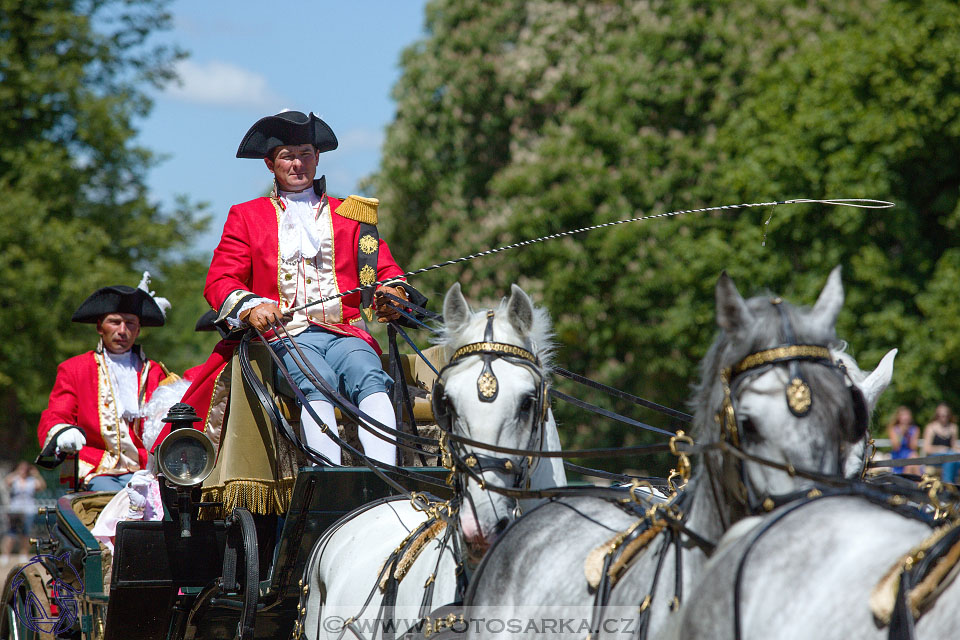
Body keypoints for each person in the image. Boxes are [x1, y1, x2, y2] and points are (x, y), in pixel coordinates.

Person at [171, 110, 426, 476]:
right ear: (270, 164)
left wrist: (395, 292)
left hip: (345, 331)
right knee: (315, 377)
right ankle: (330, 481)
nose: (298, 163)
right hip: (285, 335)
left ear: (317, 157)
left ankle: (385, 479)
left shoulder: (352, 216)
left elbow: (383, 269)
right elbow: (220, 280)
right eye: (288, 156)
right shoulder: (245, 216)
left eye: (305, 153)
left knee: (369, 373)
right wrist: (251, 306)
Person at [36, 280, 174, 491]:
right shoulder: (75, 369)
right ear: (100, 327)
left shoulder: (157, 373)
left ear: (138, 330)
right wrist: (62, 431)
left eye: (130, 323)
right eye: (114, 322)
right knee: (112, 499)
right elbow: (57, 413)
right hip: (96, 468)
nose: (122, 330)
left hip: (146, 471)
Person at [1, 462, 46, 556]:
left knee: (26, 532)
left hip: (28, 510)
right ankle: (5, 554)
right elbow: (6, 481)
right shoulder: (15, 479)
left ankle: (24, 553)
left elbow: (42, 486)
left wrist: (37, 474)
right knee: (11, 532)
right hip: (15, 510)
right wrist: (17, 472)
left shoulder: (32, 480)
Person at [922, 402, 959, 483]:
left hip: (949, 456)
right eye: (941, 415)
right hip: (934, 458)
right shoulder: (931, 427)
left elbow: (953, 447)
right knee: (950, 457)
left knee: (953, 458)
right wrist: (941, 449)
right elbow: (927, 448)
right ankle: (948, 484)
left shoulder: (953, 428)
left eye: (946, 415)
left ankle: (952, 486)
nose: (944, 418)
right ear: (937, 415)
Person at [886, 405, 920, 475]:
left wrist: (909, 435)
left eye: (907, 415)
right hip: (899, 456)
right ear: (899, 417)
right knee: (913, 458)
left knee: (913, 457)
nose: (906, 417)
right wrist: (901, 433)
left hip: (910, 456)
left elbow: (913, 447)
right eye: (903, 415)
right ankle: (920, 482)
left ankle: (910, 481)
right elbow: (896, 446)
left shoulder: (914, 429)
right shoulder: (893, 429)